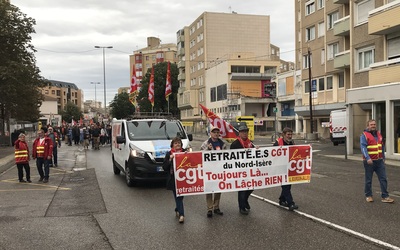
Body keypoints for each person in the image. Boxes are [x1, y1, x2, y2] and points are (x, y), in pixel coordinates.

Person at [360, 119, 394, 203]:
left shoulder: (378, 134)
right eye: (371, 124)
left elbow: (382, 147)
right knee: (368, 180)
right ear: (368, 126)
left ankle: (385, 196)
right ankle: (368, 195)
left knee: (383, 179)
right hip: (369, 162)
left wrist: (383, 158)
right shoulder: (364, 135)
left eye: (374, 124)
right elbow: (363, 148)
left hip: (379, 161)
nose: (373, 126)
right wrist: (367, 158)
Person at [230, 126, 256, 215]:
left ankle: (245, 200)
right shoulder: (235, 144)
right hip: (239, 170)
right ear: (239, 133)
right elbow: (231, 158)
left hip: (249, 169)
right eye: (243, 132)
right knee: (242, 189)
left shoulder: (251, 144)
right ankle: (242, 207)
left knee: (252, 187)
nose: (245, 133)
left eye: (246, 132)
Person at [200, 125, 226, 218]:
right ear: (210, 133)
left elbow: (227, 155)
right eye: (214, 132)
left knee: (218, 188)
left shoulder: (222, 144)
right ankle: (210, 208)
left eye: (217, 132)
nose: (216, 134)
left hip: (219, 169)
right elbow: (201, 155)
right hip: (209, 170)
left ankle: (216, 207)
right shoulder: (205, 143)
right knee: (209, 189)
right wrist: (208, 149)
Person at [273, 127, 299, 211]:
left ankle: (282, 199)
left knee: (288, 185)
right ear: (283, 135)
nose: (290, 136)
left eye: (291, 134)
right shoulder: (278, 143)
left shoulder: (292, 143)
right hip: (280, 168)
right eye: (288, 134)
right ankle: (290, 203)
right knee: (286, 185)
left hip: (289, 167)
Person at [163, 137, 186, 223]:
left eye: (179, 143)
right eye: (175, 143)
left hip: (184, 179)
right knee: (178, 196)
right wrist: (170, 159)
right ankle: (182, 215)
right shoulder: (169, 154)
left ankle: (177, 209)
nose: (177, 144)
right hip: (173, 179)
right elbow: (164, 167)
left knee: (181, 196)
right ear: (172, 145)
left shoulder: (185, 152)